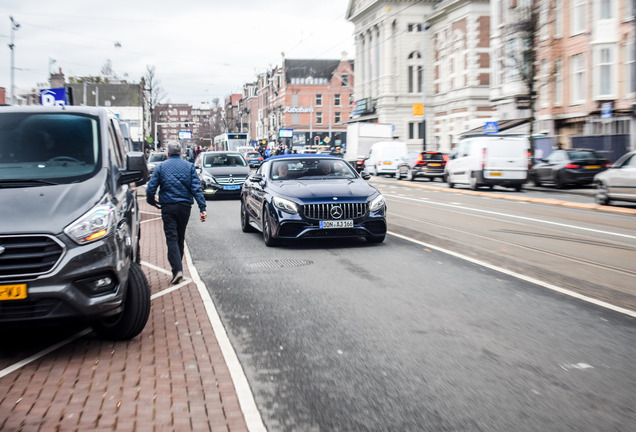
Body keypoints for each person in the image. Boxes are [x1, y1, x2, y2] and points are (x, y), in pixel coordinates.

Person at [146, 142, 207, 284]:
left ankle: (177, 269)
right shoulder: (189, 167)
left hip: (168, 206)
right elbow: (196, 189)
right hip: (184, 207)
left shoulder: (160, 167)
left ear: (167, 153)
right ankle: (177, 268)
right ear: (180, 152)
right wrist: (202, 208)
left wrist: (152, 202)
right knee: (180, 237)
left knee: (171, 237)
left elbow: (150, 189)